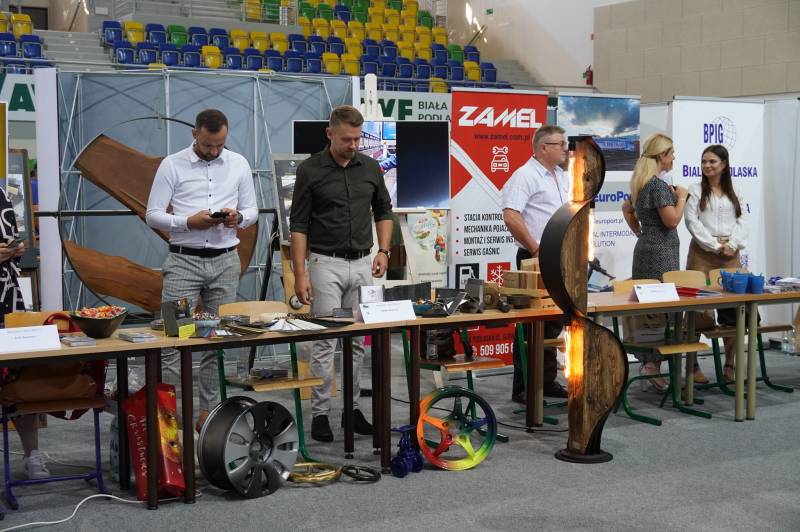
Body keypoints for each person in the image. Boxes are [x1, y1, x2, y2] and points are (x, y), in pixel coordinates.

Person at [146, 109, 258, 430]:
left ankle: (208, 414)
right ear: (195, 134)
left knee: (216, 339)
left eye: (220, 144)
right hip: (183, 261)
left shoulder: (238, 163)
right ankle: (171, 416)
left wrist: (239, 217)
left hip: (225, 262)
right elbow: (152, 214)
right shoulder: (172, 165)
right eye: (208, 145)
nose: (214, 150)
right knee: (175, 337)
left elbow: (252, 210)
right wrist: (187, 222)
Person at [290, 105, 394, 442]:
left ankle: (352, 409)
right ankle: (321, 414)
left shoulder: (371, 167)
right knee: (325, 341)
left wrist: (384, 250)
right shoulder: (310, 170)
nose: (353, 145)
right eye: (346, 139)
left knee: (356, 343)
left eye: (357, 139)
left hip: (362, 264)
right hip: (325, 265)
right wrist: (300, 274)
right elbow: (299, 225)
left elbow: (384, 210)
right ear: (330, 133)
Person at [622, 133, 707, 389]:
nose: (674, 158)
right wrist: (682, 197)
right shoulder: (658, 186)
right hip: (661, 254)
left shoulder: (640, 183)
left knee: (650, 309)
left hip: (646, 250)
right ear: (661, 155)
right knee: (661, 309)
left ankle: (651, 363)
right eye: (671, 154)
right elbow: (671, 221)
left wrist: (640, 231)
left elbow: (626, 209)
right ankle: (652, 365)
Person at [501, 124, 570, 402]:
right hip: (535, 259)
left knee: (553, 322)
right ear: (544, 147)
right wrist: (535, 248)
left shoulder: (562, 176)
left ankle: (546, 381)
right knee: (531, 324)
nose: (566, 148)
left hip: (562, 257)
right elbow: (511, 216)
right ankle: (524, 386)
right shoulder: (525, 175)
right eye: (560, 144)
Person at [685, 145, 746, 382]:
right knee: (698, 311)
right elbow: (692, 221)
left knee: (733, 310)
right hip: (702, 252)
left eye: (712, 161)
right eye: (704, 161)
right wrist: (713, 245)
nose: (707, 166)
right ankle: (692, 366)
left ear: (724, 164)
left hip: (730, 253)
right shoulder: (695, 190)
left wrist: (733, 244)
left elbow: (743, 220)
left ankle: (730, 365)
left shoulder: (735, 190)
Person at [0, 189, 48, 479]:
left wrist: (16, 250)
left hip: (8, 297)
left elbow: (13, 238)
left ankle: (32, 455)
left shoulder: (1, 194)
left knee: (21, 376)